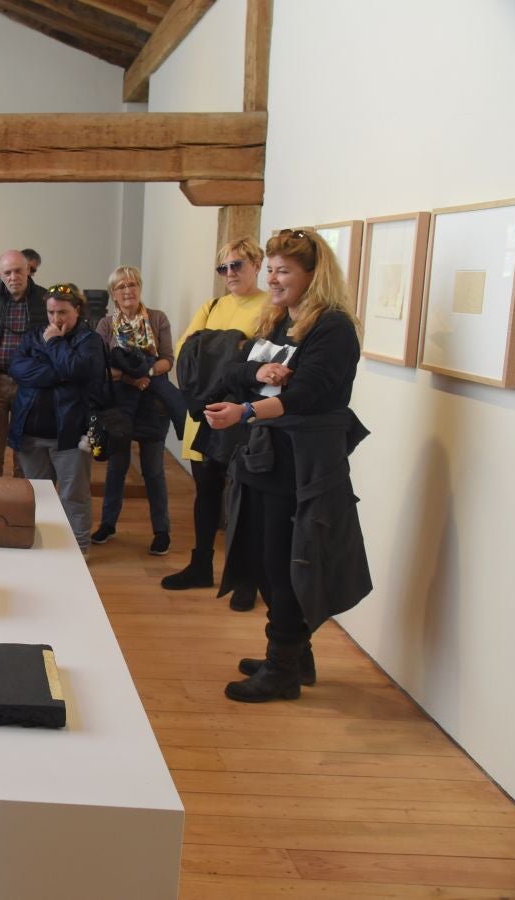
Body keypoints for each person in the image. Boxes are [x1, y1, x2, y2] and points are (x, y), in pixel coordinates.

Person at [203, 228, 370, 702]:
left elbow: (304, 397)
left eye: (284, 271)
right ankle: (294, 655)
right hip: (265, 456)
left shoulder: (333, 328)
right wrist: (256, 374)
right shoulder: (277, 320)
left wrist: (246, 411)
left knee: (286, 561)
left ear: (313, 277)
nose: (273, 279)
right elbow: (234, 373)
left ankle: (283, 669)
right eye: (271, 270)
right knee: (265, 556)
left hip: (303, 462)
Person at [160, 238, 268, 608]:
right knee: (205, 490)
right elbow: (186, 355)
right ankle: (201, 565)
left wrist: (215, 348)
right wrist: (233, 348)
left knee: (244, 497)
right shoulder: (212, 306)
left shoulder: (270, 307)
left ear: (257, 263)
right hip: (205, 412)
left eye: (238, 265)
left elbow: (260, 362)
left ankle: (246, 578)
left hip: (245, 415)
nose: (230, 273)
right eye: (224, 268)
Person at [8, 284, 106, 553]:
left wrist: (54, 344)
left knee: (73, 496)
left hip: (70, 434)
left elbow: (78, 368)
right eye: (51, 312)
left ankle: (79, 549)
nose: (55, 319)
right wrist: (61, 372)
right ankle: (47, 545)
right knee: (39, 497)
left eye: (62, 312)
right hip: (30, 432)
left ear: (77, 309)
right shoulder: (33, 335)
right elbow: (17, 369)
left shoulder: (90, 341)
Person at [92, 265, 178, 556]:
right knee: (117, 467)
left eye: (132, 285)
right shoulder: (105, 325)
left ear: (140, 287)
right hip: (119, 403)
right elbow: (102, 367)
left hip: (153, 403)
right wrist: (131, 377)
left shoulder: (157, 318)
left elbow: (168, 359)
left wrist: (147, 371)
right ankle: (107, 524)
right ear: (113, 294)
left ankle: (161, 530)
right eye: (120, 287)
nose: (127, 291)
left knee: (153, 470)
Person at [0, 249, 47, 477]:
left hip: (30, 384)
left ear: (28, 271)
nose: (13, 277)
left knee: (25, 446)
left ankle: (20, 496)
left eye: (18, 271)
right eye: (8, 272)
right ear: (0, 274)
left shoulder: (44, 300)